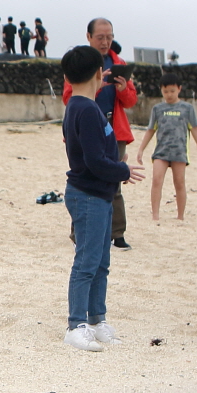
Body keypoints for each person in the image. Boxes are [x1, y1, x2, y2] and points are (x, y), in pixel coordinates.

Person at [60, 45, 144, 352]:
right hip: (88, 194)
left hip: (100, 194)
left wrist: (116, 169)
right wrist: (122, 170)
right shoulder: (83, 108)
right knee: (87, 262)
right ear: (99, 72)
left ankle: (96, 320)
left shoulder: (85, 105)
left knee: (101, 263)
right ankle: (76, 324)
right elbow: (93, 160)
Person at [63, 19, 136, 249]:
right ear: (89, 37)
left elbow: (131, 101)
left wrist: (122, 90)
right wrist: (95, 87)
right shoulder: (81, 63)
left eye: (109, 37)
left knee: (114, 182)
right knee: (85, 178)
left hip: (114, 127)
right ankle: (79, 232)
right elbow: (70, 96)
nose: (105, 42)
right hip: (87, 124)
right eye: (100, 37)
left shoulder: (119, 63)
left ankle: (117, 232)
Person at [133, 75, 197, 221]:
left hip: (179, 151)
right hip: (161, 151)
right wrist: (141, 149)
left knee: (179, 182)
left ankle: (180, 216)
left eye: (172, 91)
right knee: (156, 180)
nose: (169, 94)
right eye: (165, 91)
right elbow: (150, 130)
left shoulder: (187, 108)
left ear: (179, 89)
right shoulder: (157, 109)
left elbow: (195, 129)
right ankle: (155, 215)